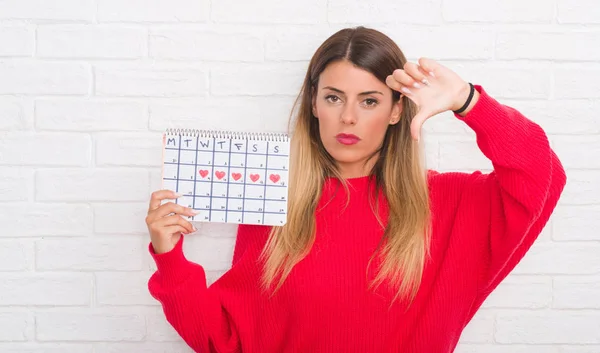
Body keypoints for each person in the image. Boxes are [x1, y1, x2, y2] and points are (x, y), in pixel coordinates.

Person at [144, 26, 566, 352]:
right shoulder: (275, 201)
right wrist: (169, 258)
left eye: (369, 100)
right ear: (313, 104)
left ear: (397, 109)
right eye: (333, 98)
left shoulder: (449, 205)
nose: (348, 117)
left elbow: (541, 173)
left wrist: (469, 101)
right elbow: (226, 342)